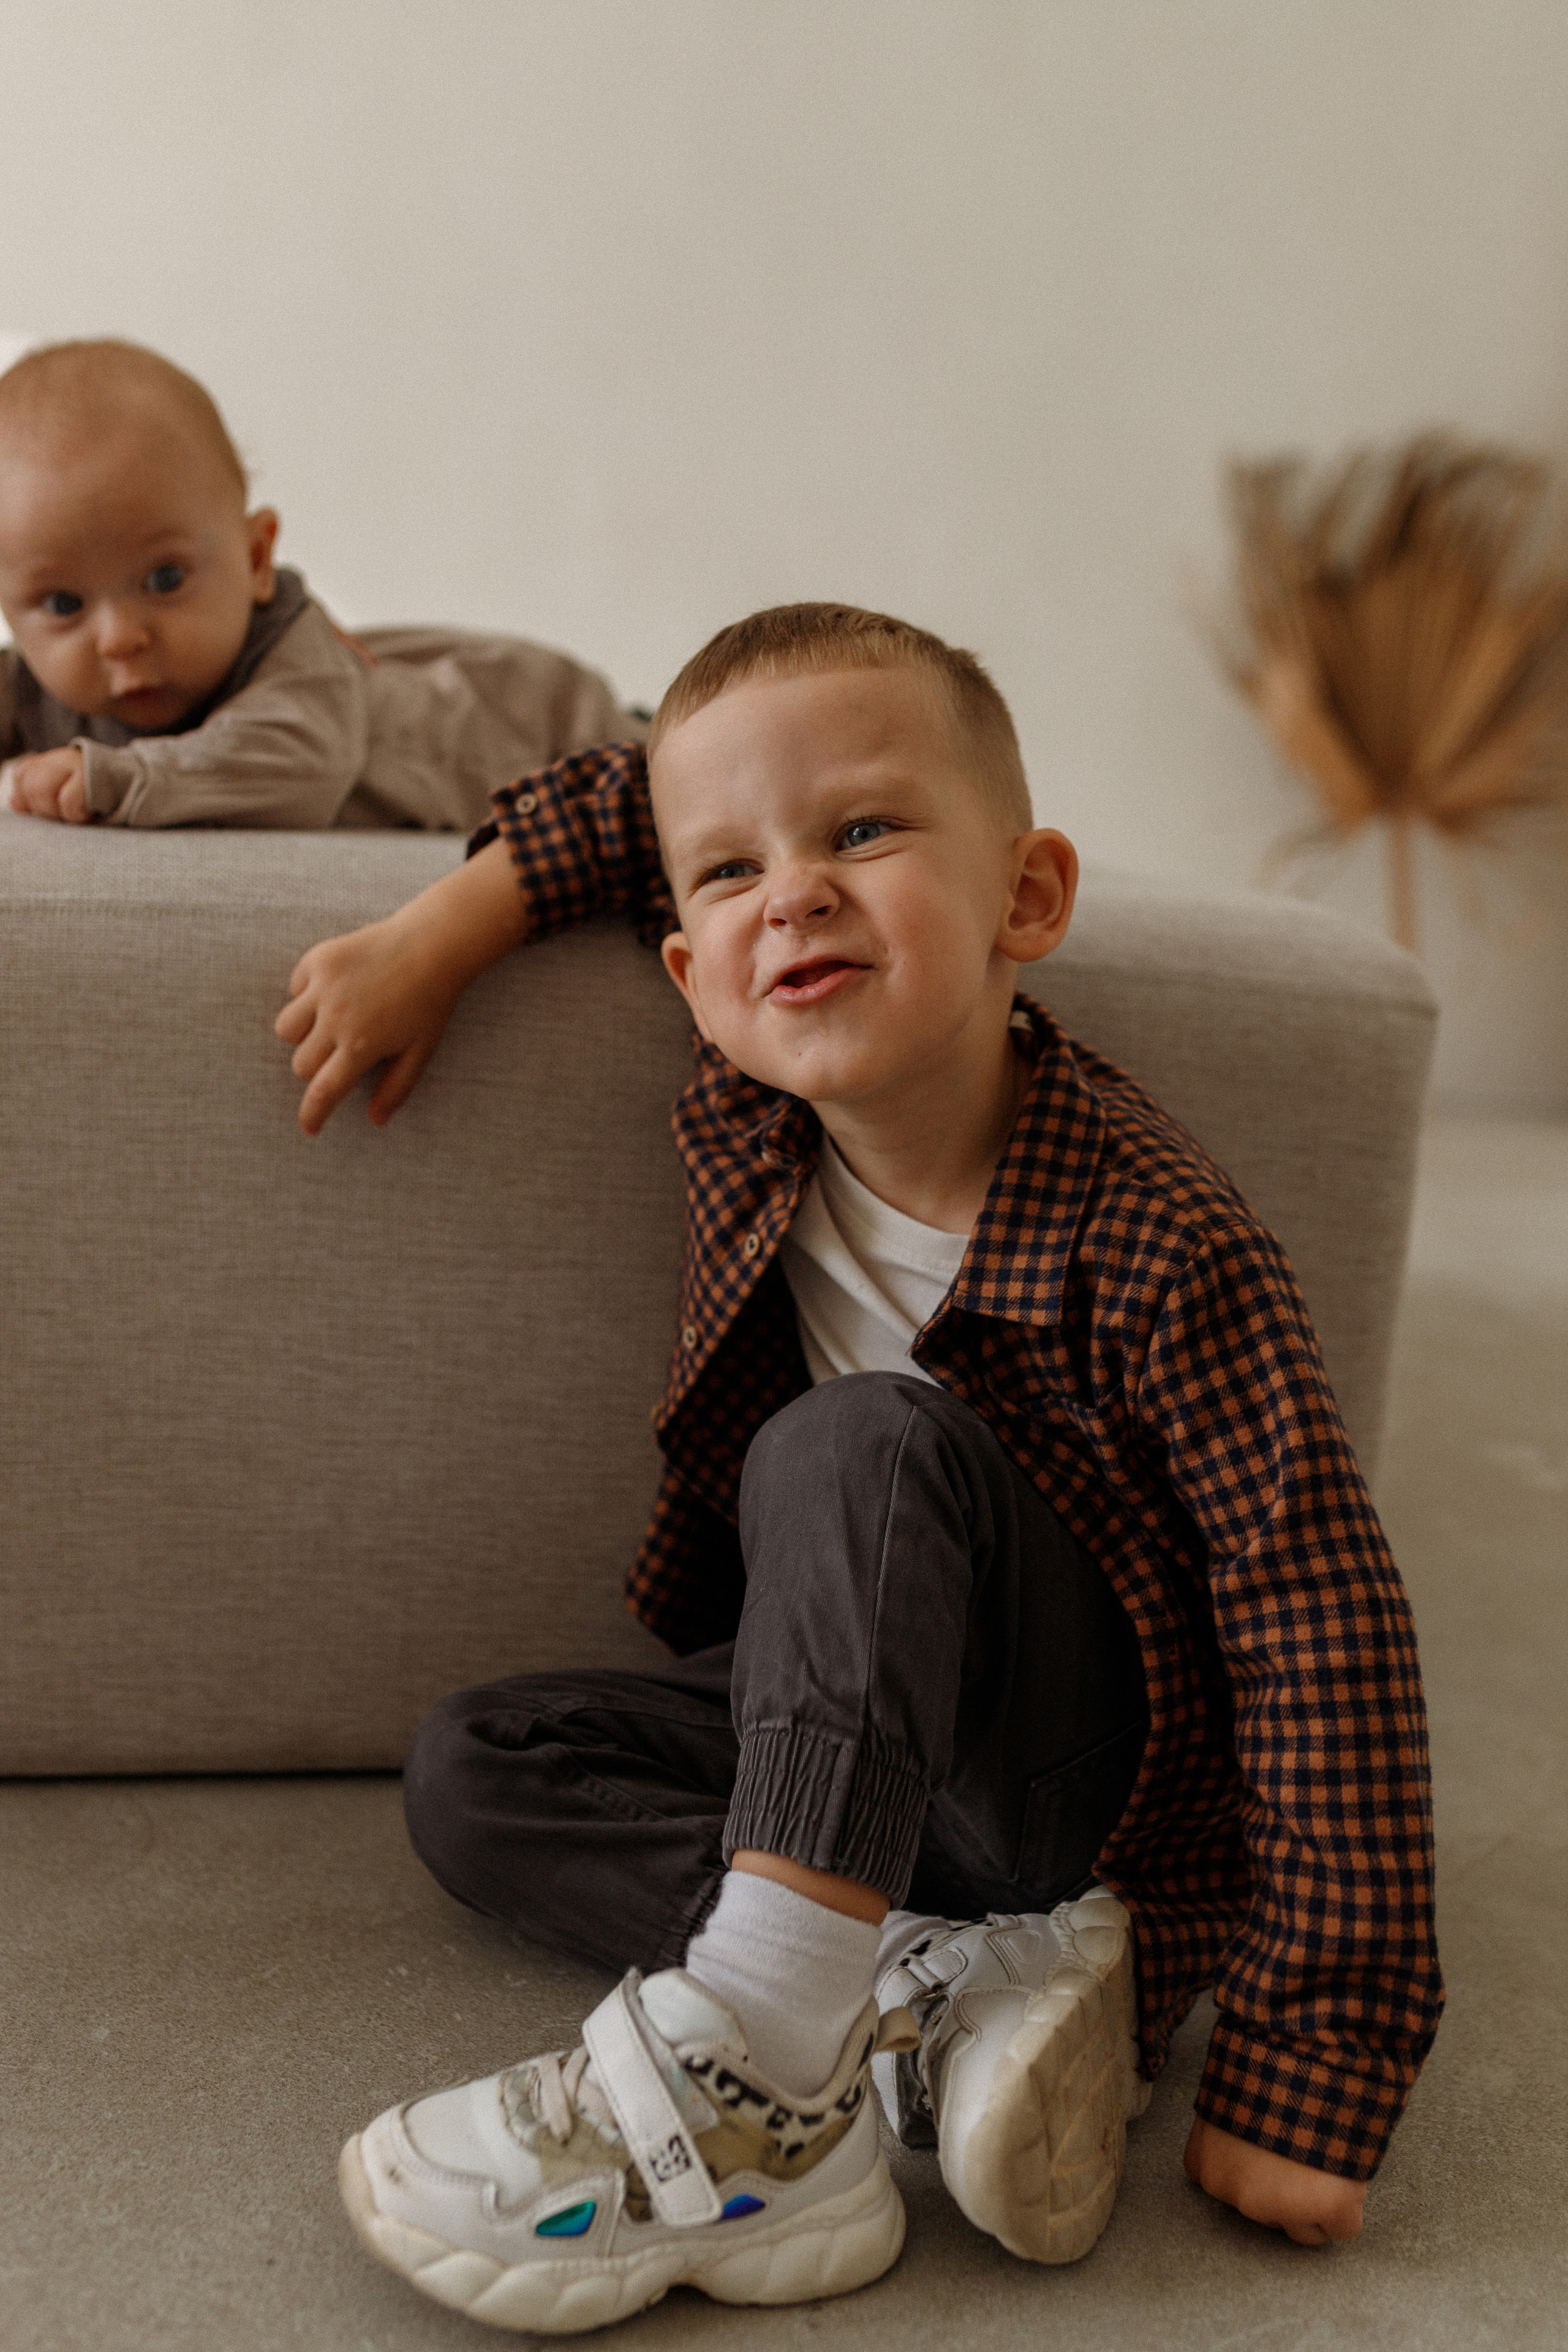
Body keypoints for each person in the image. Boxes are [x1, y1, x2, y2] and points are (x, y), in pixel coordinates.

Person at [276, 605, 1442, 2335]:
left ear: (1025, 901)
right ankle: (926, 1997)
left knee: (856, 1442)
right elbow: (630, 796)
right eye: (732, 877)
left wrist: (1309, 2071)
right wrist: (442, 931)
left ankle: (758, 2064)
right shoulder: (749, 1101)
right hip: (857, 1759)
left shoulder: (1163, 1241)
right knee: (475, 1765)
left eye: (865, 834)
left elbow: (1319, 1624)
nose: (793, 893)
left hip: (1081, 1783)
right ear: (692, 973)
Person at [0, 339, 639, 832]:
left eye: (164, 579)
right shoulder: (31, 684)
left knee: (684, 766)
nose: (120, 638)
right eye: (63, 604)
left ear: (255, 559)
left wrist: (120, 778)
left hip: (545, 724)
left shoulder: (293, 656)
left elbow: (295, 767)